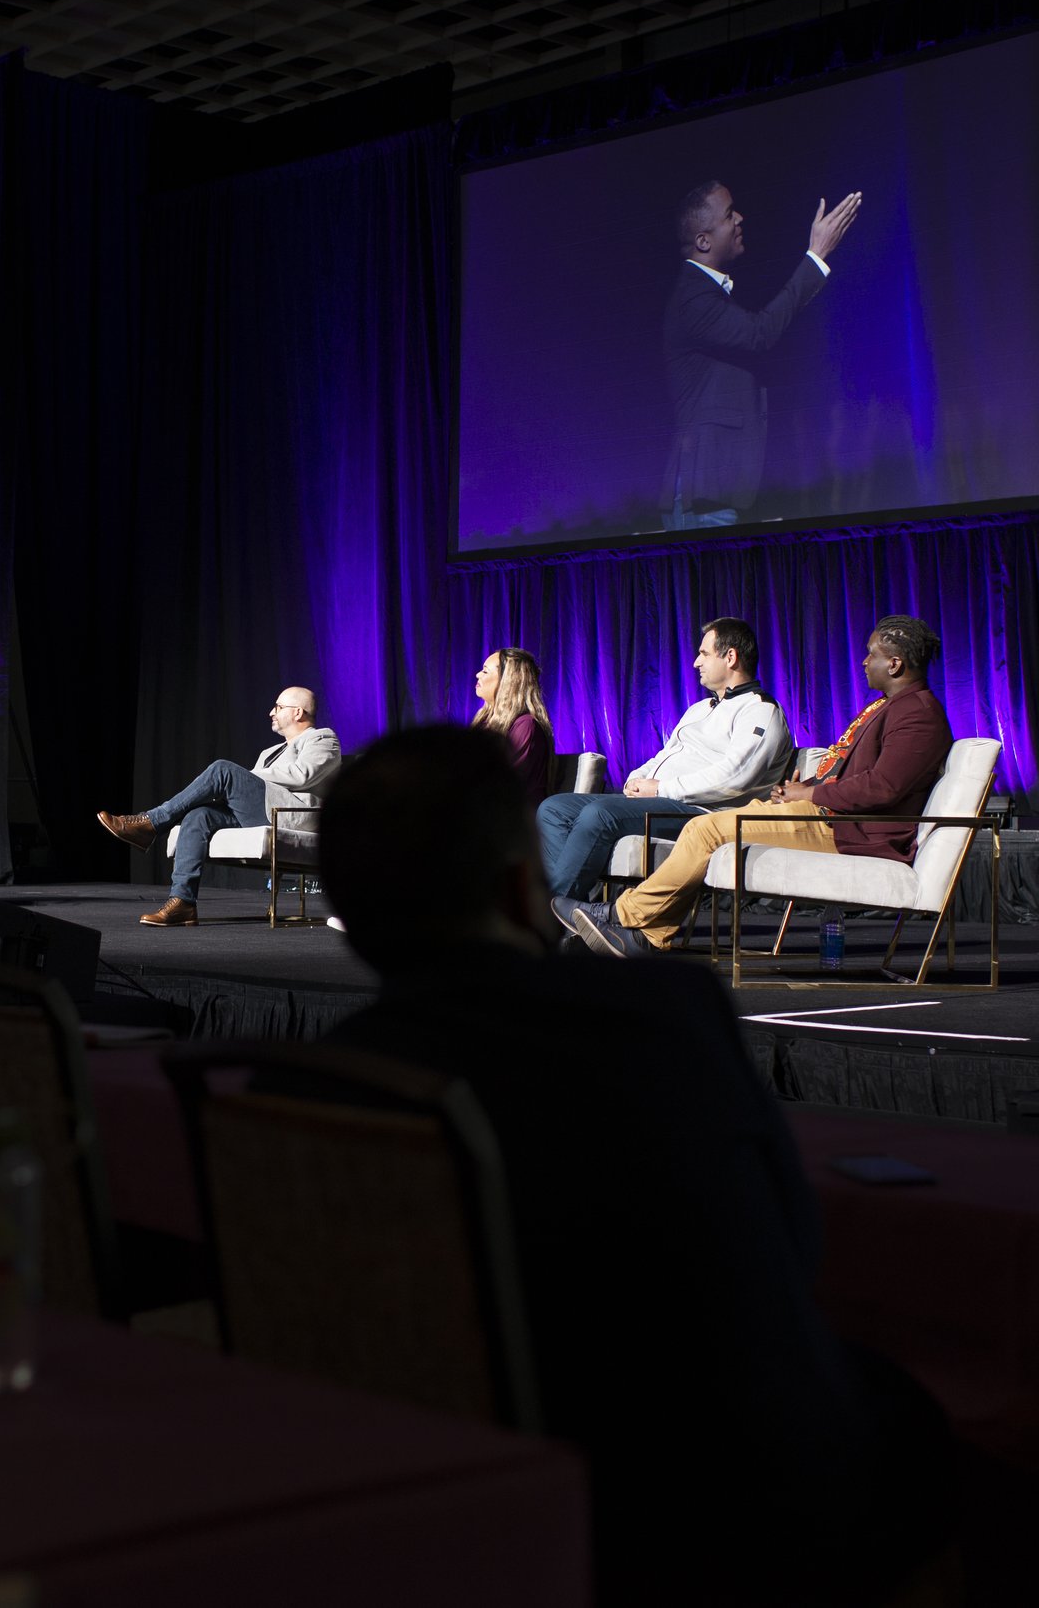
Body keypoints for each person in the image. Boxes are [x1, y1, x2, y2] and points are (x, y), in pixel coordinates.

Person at [319, 726, 950, 1604]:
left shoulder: (329, 1077)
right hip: (710, 1506)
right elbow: (791, 1248)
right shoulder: (663, 1018)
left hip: (455, 1494)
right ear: (519, 883)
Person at [562, 615, 951, 957]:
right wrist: (804, 786)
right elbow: (856, 776)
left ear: (895, 663)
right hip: (828, 815)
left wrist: (811, 794)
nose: (865, 661)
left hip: (849, 831)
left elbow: (882, 788)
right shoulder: (890, 706)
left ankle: (621, 914)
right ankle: (645, 936)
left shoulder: (918, 714)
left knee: (707, 827)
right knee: (706, 829)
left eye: (872, 654)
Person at [536, 617, 792, 901]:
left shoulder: (760, 710)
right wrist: (636, 778)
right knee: (554, 808)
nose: (696, 662)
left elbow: (736, 776)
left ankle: (554, 915)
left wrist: (659, 789)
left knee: (599, 814)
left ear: (730, 657)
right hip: (659, 801)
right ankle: (573, 908)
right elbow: (665, 755)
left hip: (703, 814)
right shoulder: (699, 708)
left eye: (704, 653)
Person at [662, 182, 862, 527]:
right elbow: (760, 333)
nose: (740, 218)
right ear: (703, 241)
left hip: (721, 494)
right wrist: (816, 256)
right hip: (705, 500)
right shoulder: (693, 298)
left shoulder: (707, 294)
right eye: (728, 215)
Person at [97, 686, 340, 927]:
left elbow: (302, 775)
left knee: (223, 770)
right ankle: (182, 901)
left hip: (289, 815)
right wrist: (244, 780)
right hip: (263, 810)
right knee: (199, 815)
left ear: (298, 712)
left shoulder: (322, 738)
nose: (271, 712)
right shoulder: (270, 752)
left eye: (278, 707)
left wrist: (246, 777)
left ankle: (150, 823)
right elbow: (258, 785)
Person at [469, 647, 554, 805]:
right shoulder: (484, 722)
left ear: (508, 681)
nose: (477, 674)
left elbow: (501, 783)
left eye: (485, 671)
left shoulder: (526, 725)